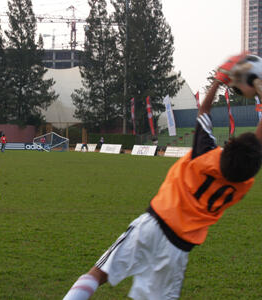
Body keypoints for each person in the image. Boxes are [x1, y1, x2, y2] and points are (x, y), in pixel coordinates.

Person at [63, 54, 262, 300]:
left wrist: (218, 81)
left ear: (228, 145)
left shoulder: (205, 154)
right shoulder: (243, 184)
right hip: (178, 249)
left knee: (98, 273)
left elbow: (204, 110)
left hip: (153, 224)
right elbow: (255, 147)